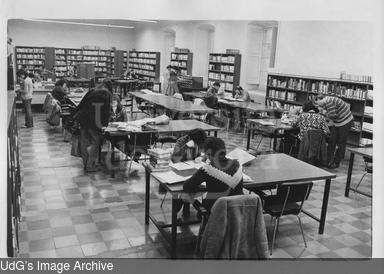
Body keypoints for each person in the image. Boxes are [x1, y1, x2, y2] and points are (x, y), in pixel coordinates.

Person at [183, 137, 244, 212]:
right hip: (238, 211)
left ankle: (202, 215)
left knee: (187, 195)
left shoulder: (207, 169)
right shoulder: (237, 164)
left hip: (215, 211)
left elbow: (187, 186)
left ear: (208, 154)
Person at [73, 85, 112, 172]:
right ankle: (90, 165)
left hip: (83, 118)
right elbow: (106, 111)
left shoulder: (92, 91)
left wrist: (75, 114)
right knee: (96, 142)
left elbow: (81, 103)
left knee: (84, 142)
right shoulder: (106, 95)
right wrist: (105, 125)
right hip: (94, 120)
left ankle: (86, 164)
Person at [315, 95, 354, 169]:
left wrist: (323, 113)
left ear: (320, 99)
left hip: (345, 121)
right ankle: (327, 161)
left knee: (341, 142)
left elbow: (332, 115)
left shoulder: (329, 102)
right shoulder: (326, 101)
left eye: (318, 103)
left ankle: (336, 162)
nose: (318, 106)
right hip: (338, 122)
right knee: (332, 140)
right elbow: (332, 114)